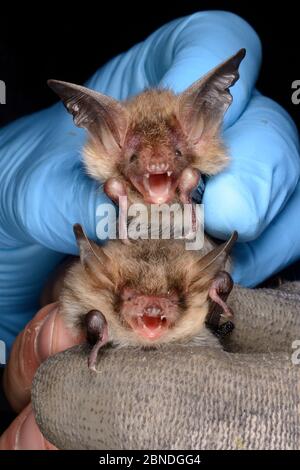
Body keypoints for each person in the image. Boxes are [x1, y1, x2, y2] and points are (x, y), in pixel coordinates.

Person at [0, 11, 299, 449]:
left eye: (173, 155)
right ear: (113, 148)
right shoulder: (104, 211)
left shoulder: (204, 199)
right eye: (141, 156)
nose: (157, 165)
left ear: (196, 138)